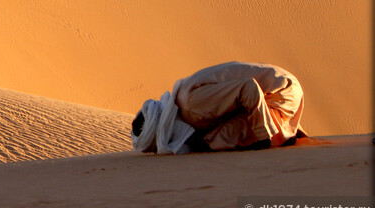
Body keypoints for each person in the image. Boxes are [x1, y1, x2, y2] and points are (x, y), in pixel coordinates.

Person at [131, 61, 306, 154]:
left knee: (213, 141)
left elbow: (249, 88)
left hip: (283, 92)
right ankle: (282, 130)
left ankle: (277, 135)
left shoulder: (192, 105)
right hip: (277, 89)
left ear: (163, 128)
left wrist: (262, 138)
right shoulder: (184, 104)